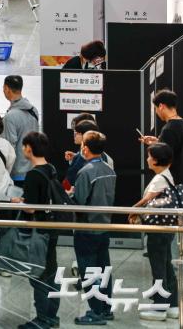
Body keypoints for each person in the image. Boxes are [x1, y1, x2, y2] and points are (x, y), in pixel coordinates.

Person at [12, 132, 60, 329]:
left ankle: (42, 319)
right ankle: (51, 315)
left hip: (37, 230)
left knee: (38, 275)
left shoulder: (33, 175)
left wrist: (18, 202)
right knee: (51, 270)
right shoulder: (51, 168)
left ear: (29, 148)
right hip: (52, 228)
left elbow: (31, 207)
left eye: (24, 146)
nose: (23, 150)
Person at [129, 143, 179, 321]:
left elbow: (145, 201)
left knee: (159, 268)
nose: (148, 159)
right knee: (166, 266)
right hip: (166, 228)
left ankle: (159, 308)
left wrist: (131, 211)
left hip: (157, 231)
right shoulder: (166, 175)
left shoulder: (159, 179)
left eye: (150, 156)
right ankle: (172, 305)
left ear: (156, 160)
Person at [72, 130, 116, 325]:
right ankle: (106, 308)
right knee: (104, 268)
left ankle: (95, 312)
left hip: (86, 228)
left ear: (85, 148)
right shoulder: (110, 170)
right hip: (104, 226)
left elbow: (79, 201)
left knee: (89, 271)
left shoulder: (85, 172)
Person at [140, 89, 183, 184]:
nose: (156, 112)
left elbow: (163, 160)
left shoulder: (168, 129)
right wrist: (158, 142)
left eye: (156, 108)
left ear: (161, 106)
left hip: (173, 182)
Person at [2, 75, 40, 184]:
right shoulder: (34, 110)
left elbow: (9, 147)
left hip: (17, 173)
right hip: (33, 168)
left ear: (6, 89)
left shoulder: (10, 117)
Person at [62, 119, 114, 186]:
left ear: (87, 135)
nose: (74, 135)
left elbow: (71, 181)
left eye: (78, 133)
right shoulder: (106, 159)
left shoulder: (83, 159)